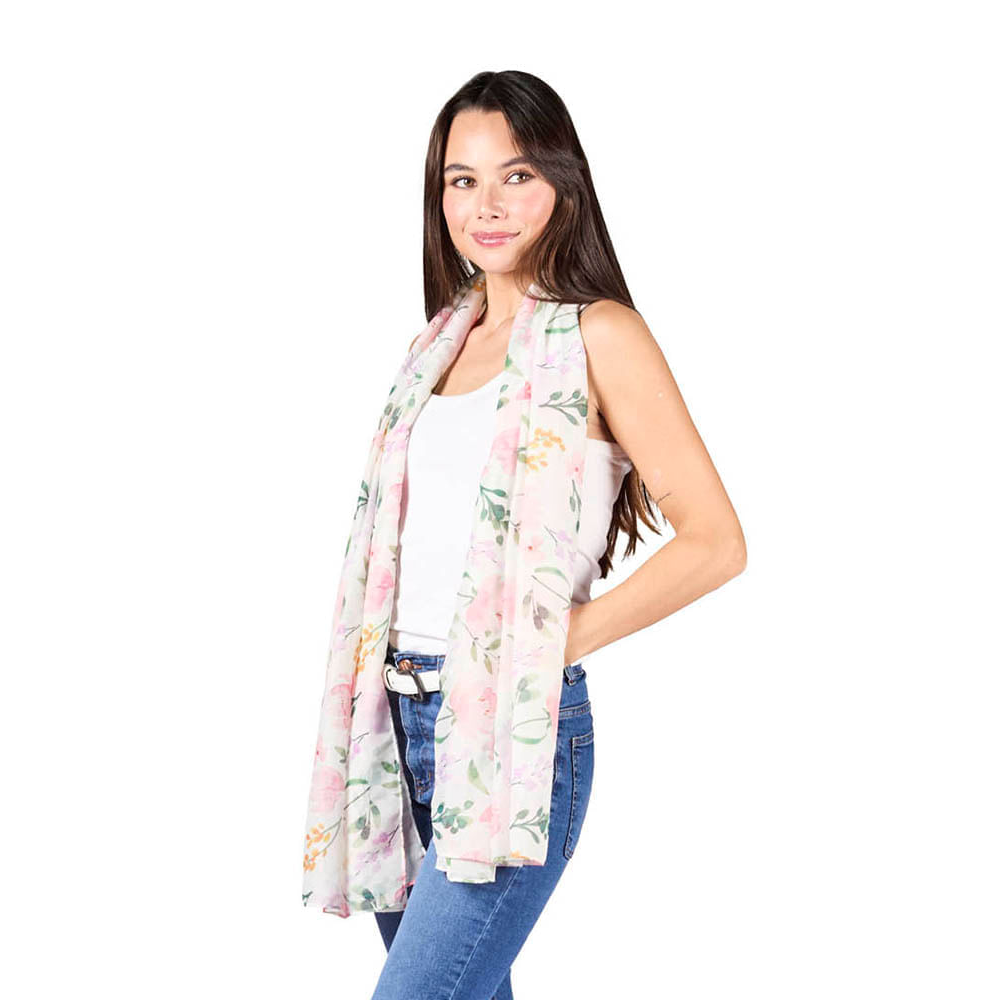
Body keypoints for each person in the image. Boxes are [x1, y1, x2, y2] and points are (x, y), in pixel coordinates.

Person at [316, 70, 746, 1000]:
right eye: (462, 180)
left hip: (515, 730)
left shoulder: (599, 334)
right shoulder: (438, 343)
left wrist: (555, 643)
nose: (488, 204)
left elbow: (716, 542)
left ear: (562, 183)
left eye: (516, 175)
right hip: (398, 723)